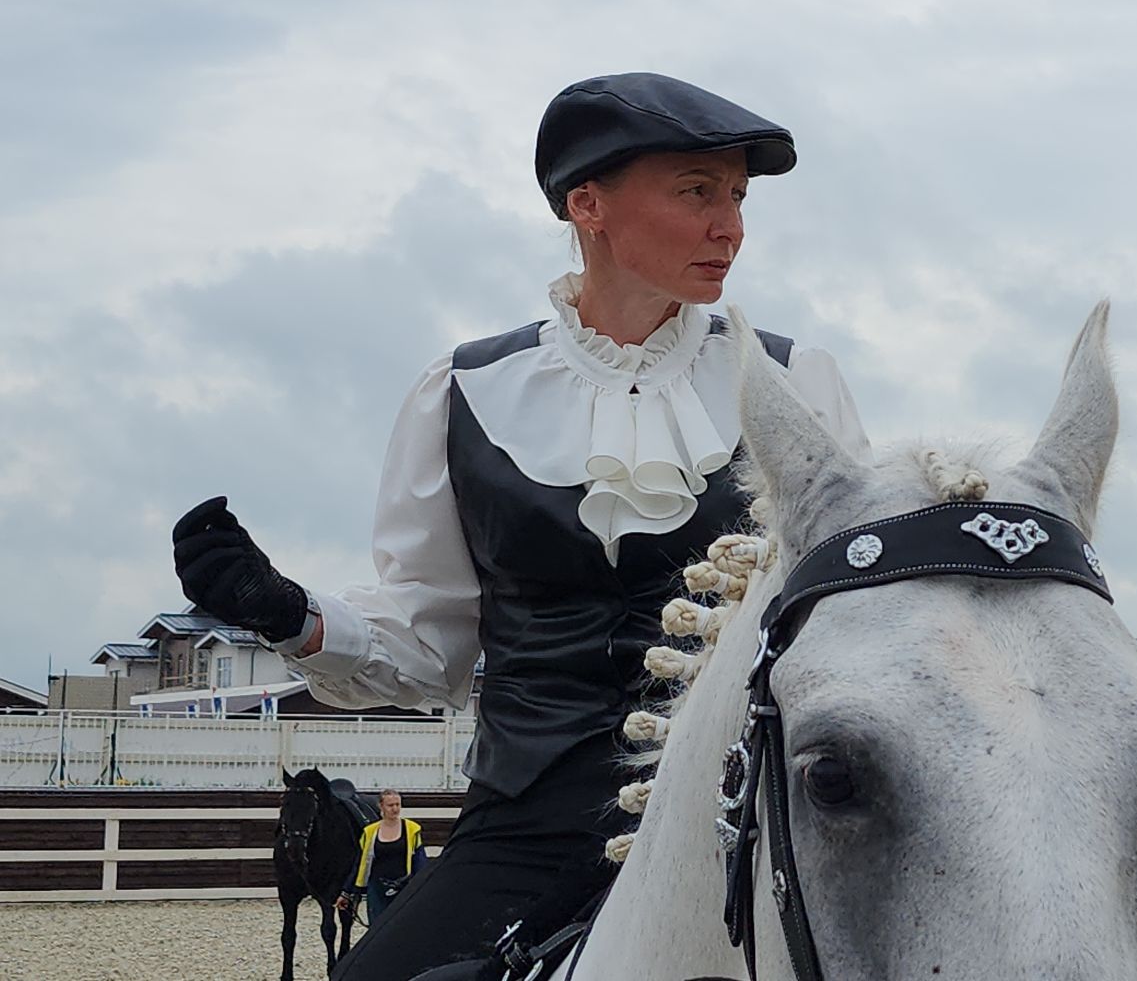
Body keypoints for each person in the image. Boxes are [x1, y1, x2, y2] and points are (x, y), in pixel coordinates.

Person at [171, 72, 869, 978]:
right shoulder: (463, 393)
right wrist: (289, 614)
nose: (730, 226)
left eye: (736, 197)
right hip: (530, 827)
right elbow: (432, 649)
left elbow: (853, 612)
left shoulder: (791, 382)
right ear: (589, 205)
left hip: (746, 815)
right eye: (697, 192)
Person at [339, 789, 428, 925]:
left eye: (398, 805)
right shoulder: (370, 832)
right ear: (381, 806)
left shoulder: (412, 829)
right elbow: (360, 864)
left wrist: (422, 887)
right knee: (377, 929)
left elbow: (420, 862)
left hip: (404, 887)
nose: (395, 809)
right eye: (390, 805)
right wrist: (347, 892)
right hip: (377, 889)